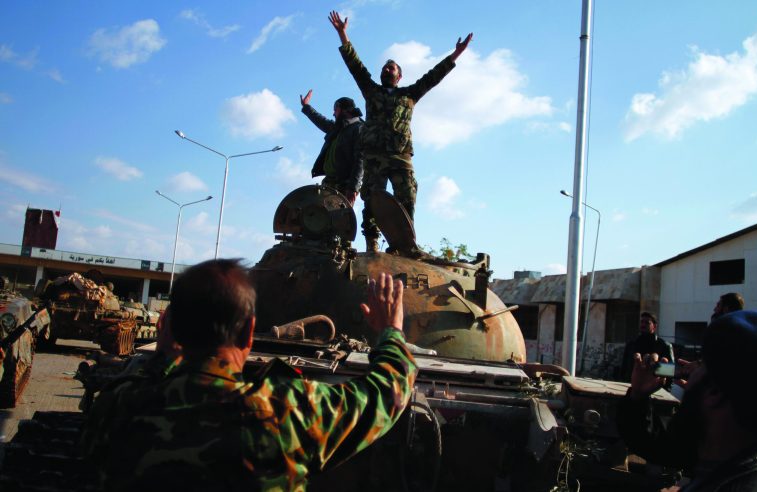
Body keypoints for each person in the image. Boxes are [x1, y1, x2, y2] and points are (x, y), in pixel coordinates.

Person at [81, 259, 417, 491]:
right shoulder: (287, 411)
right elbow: (387, 391)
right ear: (249, 334)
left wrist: (163, 353)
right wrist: (391, 331)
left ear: (167, 326)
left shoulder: (118, 407)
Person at [328, 10, 472, 253]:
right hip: (374, 155)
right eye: (384, 67)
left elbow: (433, 77)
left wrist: (455, 54)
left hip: (400, 155)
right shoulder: (371, 90)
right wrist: (344, 35)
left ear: (399, 75)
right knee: (372, 198)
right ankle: (372, 241)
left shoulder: (409, 95)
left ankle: (405, 244)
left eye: (391, 68)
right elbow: (356, 66)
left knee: (407, 197)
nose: (387, 70)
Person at [617, 310, 757, 491]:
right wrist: (638, 397)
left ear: (714, 392)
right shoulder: (738, 457)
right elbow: (659, 447)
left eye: (701, 365)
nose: (689, 373)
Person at [300, 89, 364, 206]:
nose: (333, 114)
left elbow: (360, 160)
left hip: (345, 184)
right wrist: (306, 107)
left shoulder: (359, 129)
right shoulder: (337, 128)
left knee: (337, 219)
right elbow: (321, 120)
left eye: (335, 110)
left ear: (343, 109)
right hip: (329, 181)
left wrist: (353, 187)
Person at [620, 311, 675, 382]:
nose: (643, 325)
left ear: (654, 326)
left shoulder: (664, 346)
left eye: (647, 323)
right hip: (631, 386)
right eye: (642, 322)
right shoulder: (631, 345)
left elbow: (669, 374)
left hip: (654, 388)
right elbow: (624, 369)